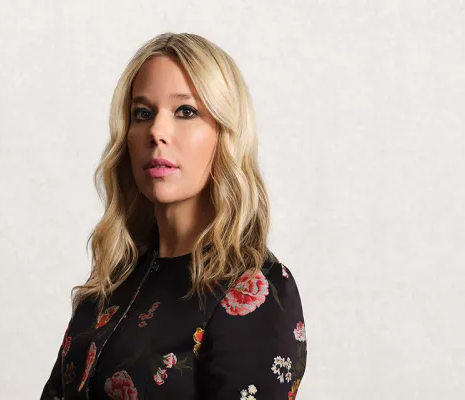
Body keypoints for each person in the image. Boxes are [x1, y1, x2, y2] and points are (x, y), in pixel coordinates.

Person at [40, 32, 307, 400]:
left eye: (185, 111)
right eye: (142, 113)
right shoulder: (112, 283)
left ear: (225, 133)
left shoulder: (255, 288)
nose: (156, 131)